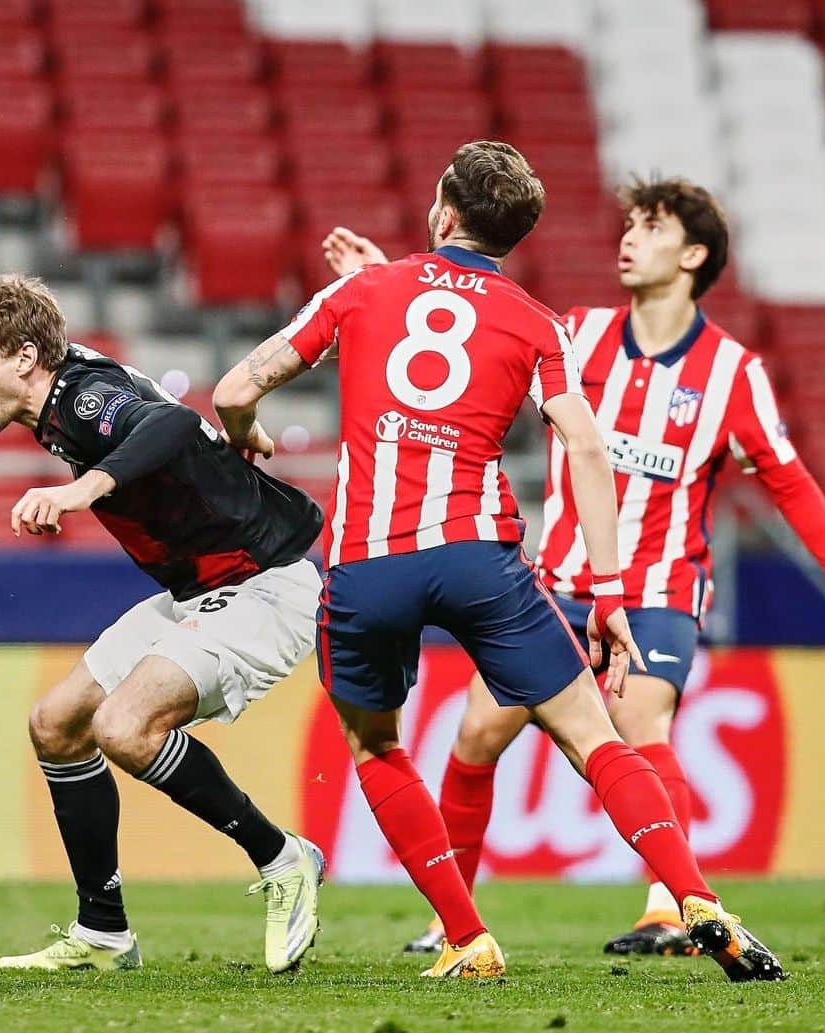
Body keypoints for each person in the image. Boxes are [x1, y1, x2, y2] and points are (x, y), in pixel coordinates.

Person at [214, 142, 784, 982]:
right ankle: (696, 899)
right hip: (483, 555)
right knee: (596, 738)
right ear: (511, 236)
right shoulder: (535, 321)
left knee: (375, 745)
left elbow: (233, 391)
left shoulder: (362, 290)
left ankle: (466, 935)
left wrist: (245, 435)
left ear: (443, 207)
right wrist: (610, 591)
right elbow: (585, 448)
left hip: (370, 564)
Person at [323, 176, 825, 960]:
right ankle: (448, 916)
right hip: (552, 581)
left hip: (655, 591)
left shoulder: (731, 373)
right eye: (627, 223)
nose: (627, 237)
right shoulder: (574, 332)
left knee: (640, 720)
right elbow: (455, 335)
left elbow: (788, 479)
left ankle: (673, 908)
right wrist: (390, 274)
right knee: (476, 735)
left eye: (649, 227)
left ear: (692, 255)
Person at [0, 275, 328, 975]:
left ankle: (283, 857)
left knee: (124, 727)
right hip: (199, 588)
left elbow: (173, 423)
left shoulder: (85, 402)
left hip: (264, 585)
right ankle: (103, 931)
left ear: (26, 357)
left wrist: (80, 488)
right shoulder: (51, 384)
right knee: (58, 722)